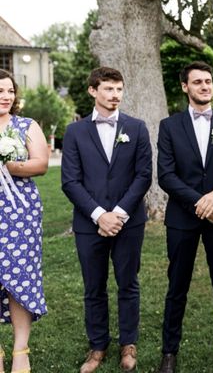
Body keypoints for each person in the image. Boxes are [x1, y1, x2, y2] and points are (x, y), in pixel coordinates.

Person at [155, 61, 213, 373]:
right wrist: (201, 201)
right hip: (182, 218)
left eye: (208, 81)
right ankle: (169, 351)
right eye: (197, 82)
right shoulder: (169, 127)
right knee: (177, 285)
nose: (204, 86)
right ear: (185, 87)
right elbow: (166, 176)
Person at [61, 67, 152, 373]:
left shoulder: (137, 128)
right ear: (93, 91)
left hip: (129, 221)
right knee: (93, 288)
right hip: (89, 224)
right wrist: (100, 215)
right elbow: (70, 181)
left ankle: (129, 344)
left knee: (129, 284)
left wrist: (119, 214)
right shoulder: (74, 132)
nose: (115, 95)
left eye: (119, 89)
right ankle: (97, 346)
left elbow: (143, 176)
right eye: (109, 89)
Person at [0, 69, 48, 373]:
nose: (5, 97)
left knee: (19, 277)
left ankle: (20, 350)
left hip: (19, 212)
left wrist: (9, 166)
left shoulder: (26, 125)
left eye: (9, 91)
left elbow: (41, 164)